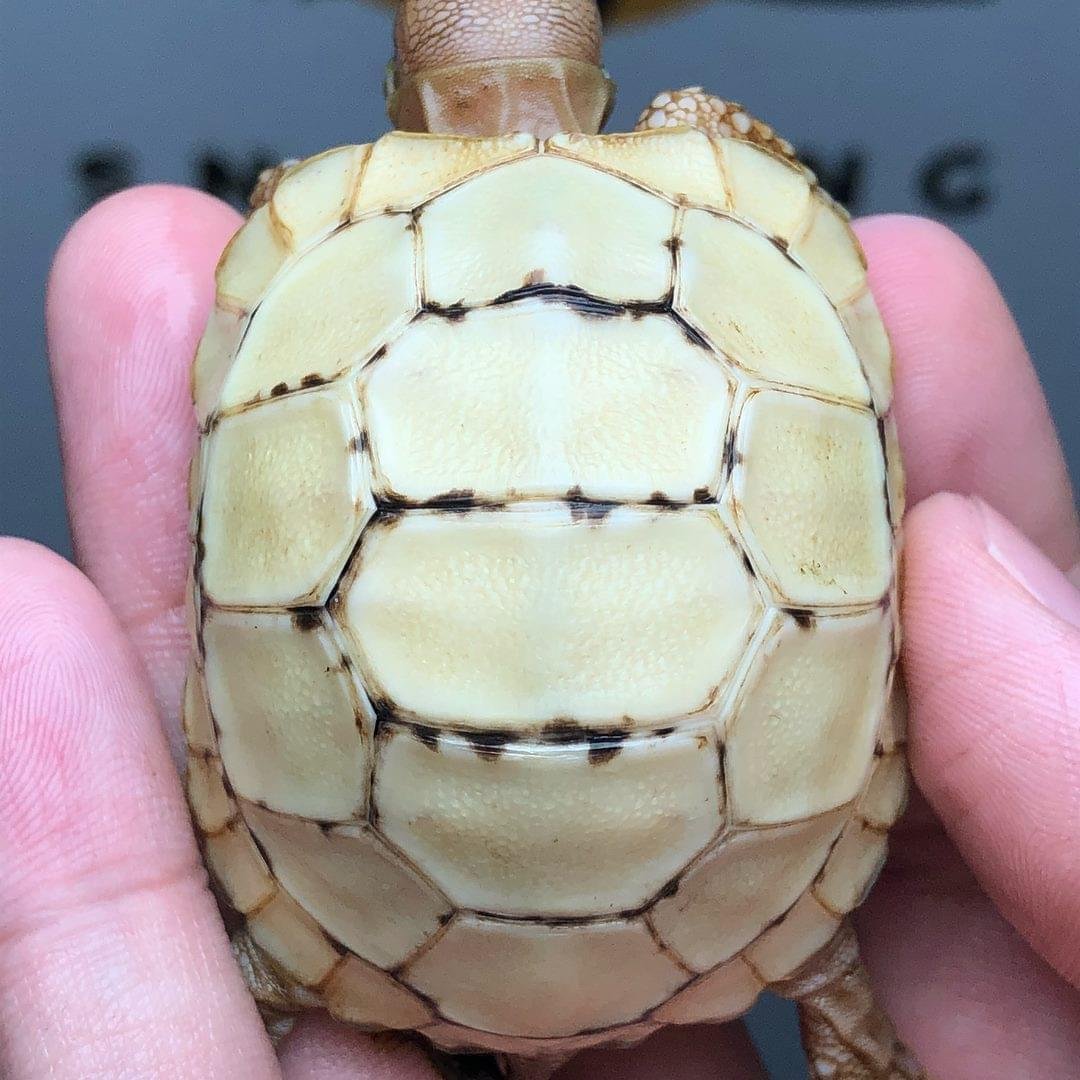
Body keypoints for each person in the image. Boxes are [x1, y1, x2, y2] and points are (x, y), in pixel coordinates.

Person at [0, 186, 1077, 1079]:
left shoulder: (328, 229)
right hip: (748, 895)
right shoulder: (728, 198)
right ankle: (837, 1001)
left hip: (358, 903)